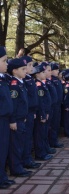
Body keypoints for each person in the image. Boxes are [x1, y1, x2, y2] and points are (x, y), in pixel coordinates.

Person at [7, 58, 32, 177]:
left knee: (20, 143)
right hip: (16, 120)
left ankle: (19, 165)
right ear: (14, 71)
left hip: (22, 118)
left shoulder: (21, 83)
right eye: (23, 69)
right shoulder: (14, 85)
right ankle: (16, 168)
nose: (26, 70)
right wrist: (13, 120)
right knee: (16, 146)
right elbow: (13, 105)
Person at [0, 46, 15, 189]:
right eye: (4, 61)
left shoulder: (3, 79)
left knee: (3, 149)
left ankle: (2, 177)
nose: (7, 64)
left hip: (5, 120)